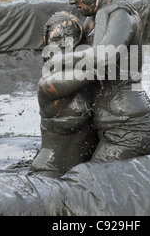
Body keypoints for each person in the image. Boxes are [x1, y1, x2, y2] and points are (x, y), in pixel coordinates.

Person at [48, 0, 150, 163]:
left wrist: (57, 60)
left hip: (130, 129)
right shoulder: (94, 15)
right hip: (108, 125)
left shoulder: (120, 14)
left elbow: (102, 57)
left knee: (93, 181)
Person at [28, 11, 98, 178]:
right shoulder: (48, 84)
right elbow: (100, 67)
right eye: (57, 39)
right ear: (47, 44)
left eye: (71, 38)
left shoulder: (85, 81)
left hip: (79, 176)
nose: (64, 45)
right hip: (48, 173)